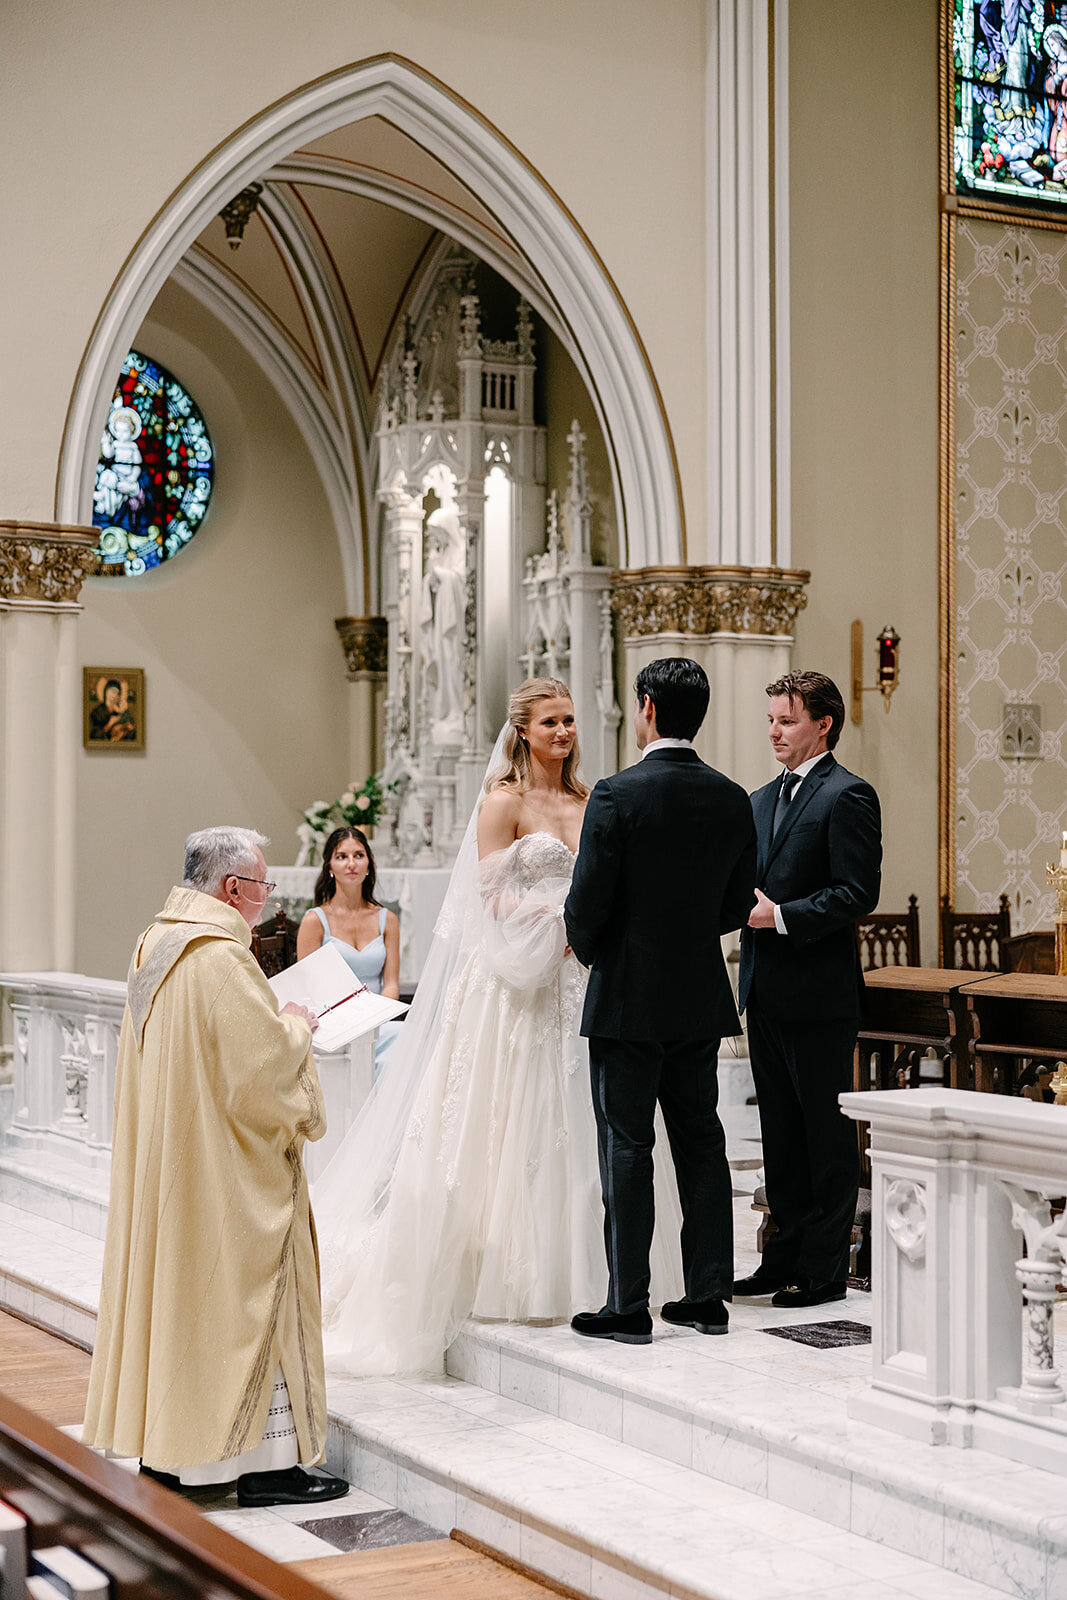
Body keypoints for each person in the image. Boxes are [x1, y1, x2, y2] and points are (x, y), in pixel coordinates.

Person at [312, 677, 684, 1375]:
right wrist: (556, 920)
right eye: (551, 722)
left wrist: (593, 925)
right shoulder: (502, 802)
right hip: (517, 983)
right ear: (522, 731)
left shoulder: (590, 797)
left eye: (571, 720)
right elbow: (485, 900)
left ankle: (604, 1276)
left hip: (584, 978)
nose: (565, 732)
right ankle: (516, 1273)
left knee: (594, 1115)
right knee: (517, 1117)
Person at [82, 825, 348, 1508]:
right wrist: (296, 1024)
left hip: (179, 1163)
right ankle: (264, 1468)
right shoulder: (221, 960)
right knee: (249, 1303)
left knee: (184, 1309)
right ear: (232, 888)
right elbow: (257, 1073)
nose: (266, 900)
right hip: (225, 1173)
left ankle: (175, 1461)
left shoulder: (157, 941)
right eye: (261, 887)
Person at [564, 658, 758, 1344]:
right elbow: (736, 903)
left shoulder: (616, 795)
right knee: (702, 1142)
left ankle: (628, 1304)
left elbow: (585, 903)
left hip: (626, 995)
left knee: (627, 1143)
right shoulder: (732, 797)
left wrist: (596, 952)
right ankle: (706, 1296)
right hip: (697, 992)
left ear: (645, 707)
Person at [736, 671, 881, 1309]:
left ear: (823, 724)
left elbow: (858, 892)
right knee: (780, 1135)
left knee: (824, 1135)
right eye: (770, 719)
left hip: (819, 994)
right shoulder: (758, 798)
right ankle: (780, 1259)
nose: (774, 731)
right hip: (764, 988)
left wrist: (783, 915)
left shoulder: (849, 795)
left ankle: (823, 1270)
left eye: (787, 720)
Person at [296, 826, 402, 1074]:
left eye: (359, 855)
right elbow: (308, 987)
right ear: (330, 867)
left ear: (369, 864)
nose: (351, 863)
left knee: (407, 1038)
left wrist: (376, 1018)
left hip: (377, 1023)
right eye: (342, 856)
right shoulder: (314, 920)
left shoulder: (388, 919)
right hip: (333, 1024)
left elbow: (391, 984)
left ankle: (387, 1112)